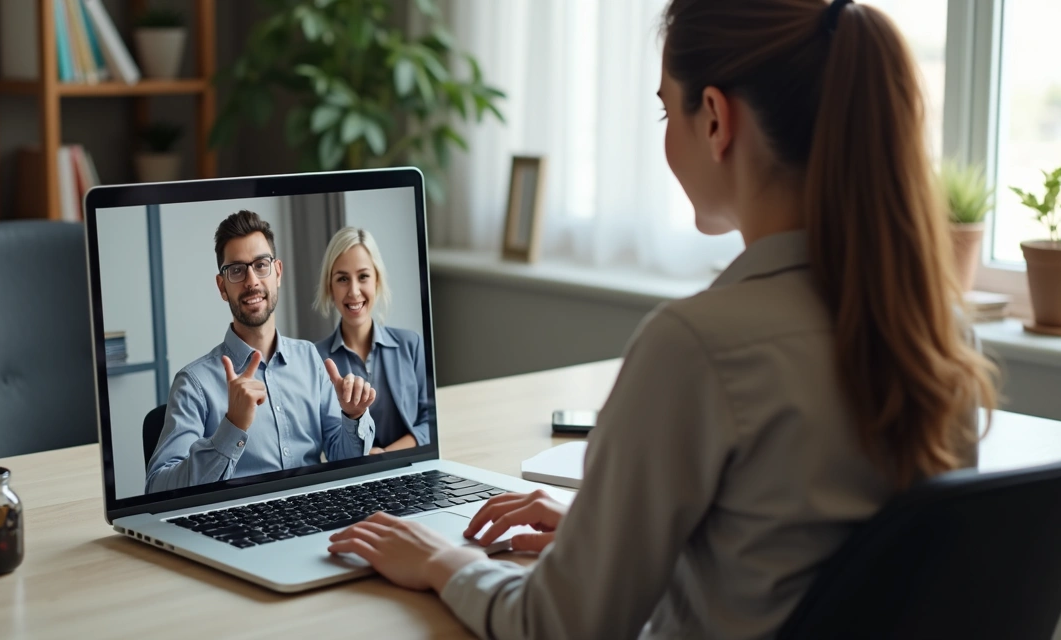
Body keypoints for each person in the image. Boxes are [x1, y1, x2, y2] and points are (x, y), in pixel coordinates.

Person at [323, 1, 998, 638]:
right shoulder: (937, 334)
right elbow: (803, 564)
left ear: (714, 119)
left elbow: (555, 627)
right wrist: (609, 540)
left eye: (664, 114)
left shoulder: (700, 347)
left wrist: (443, 562)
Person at [146, 211, 377, 493]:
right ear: (222, 287)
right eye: (236, 270)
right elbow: (158, 488)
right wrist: (232, 427)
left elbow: (344, 462)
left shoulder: (309, 359)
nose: (251, 281)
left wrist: (352, 417)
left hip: (315, 514)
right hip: (237, 528)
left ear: (277, 272)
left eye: (261, 265)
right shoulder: (194, 384)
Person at [314, 227, 432, 454]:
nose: (354, 291)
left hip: (411, 470)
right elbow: (327, 441)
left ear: (377, 279)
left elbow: (430, 423)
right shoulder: (317, 359)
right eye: (342, 279)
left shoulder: (411, 345)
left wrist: (385, 456)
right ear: (330, 286)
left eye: (363, 276)